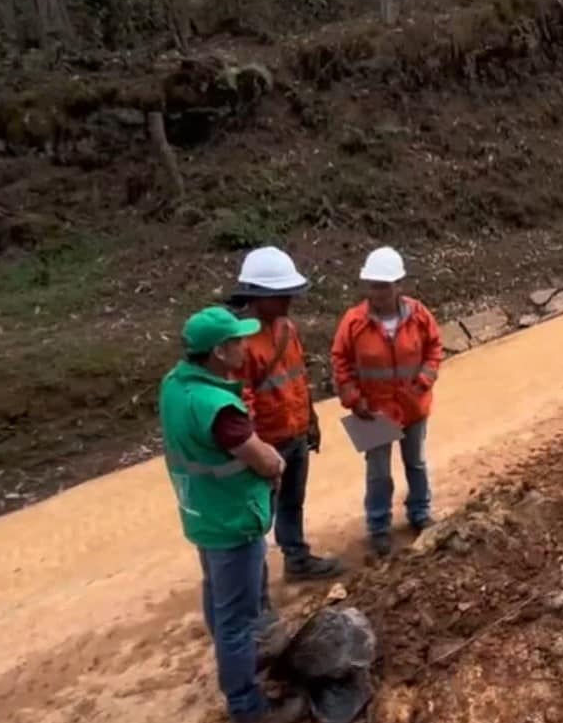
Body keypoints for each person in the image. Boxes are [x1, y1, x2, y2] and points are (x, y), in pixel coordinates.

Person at [159, 307, 306, 723]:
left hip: (202, 511)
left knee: (219, 599)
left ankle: (233, 655)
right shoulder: (220, 409)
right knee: (238, 620)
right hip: (233, 518)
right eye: (238, 341)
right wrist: (276, 465)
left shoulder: (175, 386)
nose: (245, 346)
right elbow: (262, 460)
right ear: (220, 352)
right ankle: (248, 705)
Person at [231, 247, 343, 582]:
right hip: (267, 442)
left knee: (293, 501)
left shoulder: (287, 329)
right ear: (256, 296)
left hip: (294, 431)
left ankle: (296, 557)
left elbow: (298, 377)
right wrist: (254, 448)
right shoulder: (241, 342)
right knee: (258, 514)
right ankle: (255, 581)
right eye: (280, 296)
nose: (288, 301)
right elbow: (241, 400)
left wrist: (311, 419)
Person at [331, 247, 444, 556]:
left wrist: (424, 380)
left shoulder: (419, 315)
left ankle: (420, 513)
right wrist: (353, 398)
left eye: (384, 285)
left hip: (412, 405)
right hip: (372, 410)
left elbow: (435, 348)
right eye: (373, 285)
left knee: (416, 462)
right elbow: (340, 361)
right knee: (378, 471)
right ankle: (378, 526)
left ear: (399, 285)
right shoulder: (354, 321)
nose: (377, 292)